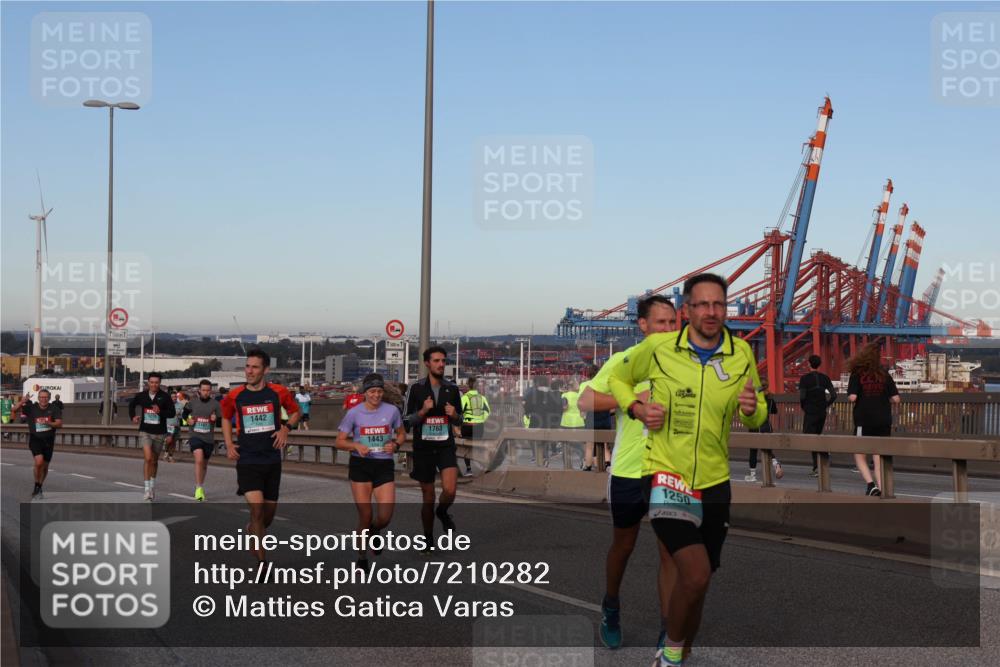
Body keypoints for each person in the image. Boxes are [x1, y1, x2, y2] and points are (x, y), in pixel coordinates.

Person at [609, 274, 767, 666]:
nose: (711, 312)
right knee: (694, 573)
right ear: (687, 311)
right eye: (702, 305)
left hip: (714, 481)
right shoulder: (660, 348)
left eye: (718, 304)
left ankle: (677, 650)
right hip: (665, 474)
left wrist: (752, 410)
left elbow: (757, 411)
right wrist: (637, 408)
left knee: (700, 583)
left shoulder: (741, 354)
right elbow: (617, 378)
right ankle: (671, 655)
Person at [577, 294, 679, 649]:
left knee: (670, 551)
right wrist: (634, 400)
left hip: (670, 472)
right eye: (661, 322)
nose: (668, 328)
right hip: (628, 471)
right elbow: (585, 401)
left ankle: (668, 632)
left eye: (673, 322)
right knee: (624, 546)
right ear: (643, 325)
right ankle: (611, 604)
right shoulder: (624, 361)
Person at [222, 349, 300, 562]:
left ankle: (252, 529)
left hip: (272, 460)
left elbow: (296, 412)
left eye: (255, 367)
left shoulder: (279, 392)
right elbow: (226, 418)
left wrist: (286, 429)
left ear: (265, 370)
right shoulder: (234, 395)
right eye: (247, 366)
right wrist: (229, 444)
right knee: (257, 509)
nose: (249, 371)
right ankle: (263, 563)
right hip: (247, 459)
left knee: (267, 517)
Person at [336, 373, 405, 570]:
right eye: (372, 391)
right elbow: (339, 441)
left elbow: (401, 434)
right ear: (365, 393)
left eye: (380, 391)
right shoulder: (354, 413)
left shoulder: (392, 411)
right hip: (361, 466)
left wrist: (395, 445)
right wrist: (355, 446)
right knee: (365, 515)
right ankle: (361, 557)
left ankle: (375, 531)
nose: (376, 395)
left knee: (385, 516)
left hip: (383, 466)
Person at [404, 346, 463, 544]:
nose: (441, 365)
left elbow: (459, 420)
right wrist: (422, 412)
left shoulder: (452, 388)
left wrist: (454, 415)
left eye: (443, 361)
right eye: (436, 361)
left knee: (450, 490)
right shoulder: (416, 388)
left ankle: (443, 511)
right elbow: (406, 421)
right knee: (428, 496)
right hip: (424, 448)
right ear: (427, 363)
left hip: (446, 446)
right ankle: (428, 538)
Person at [847, 343, 900, 496]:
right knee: (879, 457)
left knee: (859, 453)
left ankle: (871, 485)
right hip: (883, 420)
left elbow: (852, 398)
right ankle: (883, 489)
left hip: (863, 420)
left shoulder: (857, 373)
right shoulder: (884, 374)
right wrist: (881, 399)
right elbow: (896, 399)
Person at [128, 373, 176, 501]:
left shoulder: (164, 397)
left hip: (159, 433)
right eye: (152, 382)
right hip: (145, 431)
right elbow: (132, 405)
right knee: (148, 458)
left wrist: (160, 411)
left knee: (154, 461)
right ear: (148, 383)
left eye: (156, 382)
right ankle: (146, 489)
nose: (154, 384)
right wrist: (133, 416)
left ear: (159, 383)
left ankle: (152, 487)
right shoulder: (142, 396)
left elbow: (172, 413)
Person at [13, 389, 63, 499]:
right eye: (41, 397)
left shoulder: (54, 408)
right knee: (39, 462)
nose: (43, 399)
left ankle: (39, 486)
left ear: (49, 398)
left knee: (45, 466)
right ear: (38, 398)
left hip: (49, 440)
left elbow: (59, 424)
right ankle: (37, 483)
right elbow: (14, 409)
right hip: (35, 439)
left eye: (45, 397)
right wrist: (22, 401)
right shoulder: (31, 408)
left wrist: (49, 423)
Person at [182, 380, 222, 501]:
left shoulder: (215, 404)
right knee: (198, 459)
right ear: (199, 390)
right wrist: (188, 420)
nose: (206, 392)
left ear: (211, 391)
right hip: (195, 435)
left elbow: (221, 420)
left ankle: (199, 485)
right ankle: (199, 488)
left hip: (208, 438)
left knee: (204, 465)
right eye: (203, 390)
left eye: (208, 390)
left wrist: (215, 419)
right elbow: (184, 414)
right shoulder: (192, 403)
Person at [798, 354, 837, 477]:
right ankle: (817, 467)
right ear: (818, 364)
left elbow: (802, 396)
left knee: (809, 437)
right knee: (816, 437)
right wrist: (826, 404)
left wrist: (804, 406)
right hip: (821, 412)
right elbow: (834, 395)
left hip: (810, 411)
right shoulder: (825, 378)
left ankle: (823, 456)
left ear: (809, 364)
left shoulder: (804, 379)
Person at [745, 380, 783, 483]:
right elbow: (774, 411)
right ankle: (776, 464)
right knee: (767, 450)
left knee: (753, 451)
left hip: (756, 426)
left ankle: (752, 475)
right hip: (767, 426)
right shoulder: (770, 399)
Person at [577, 366, 613, 471]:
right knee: (605, 444)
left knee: (590, 445)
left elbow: (581, 403)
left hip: (591, 416)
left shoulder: (585, 385)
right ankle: (607, 465)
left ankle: (588, 466)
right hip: (605, 415)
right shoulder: (606, 384)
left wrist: (582, 414)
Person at [460, 376, 491, 476]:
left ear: (468, 385)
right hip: (479, 426)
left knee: (467, 448)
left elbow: (459, 412)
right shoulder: (482, 398)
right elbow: (488, 412)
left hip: (467, 426)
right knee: (478, 446)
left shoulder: (464, 398)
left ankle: (469, 469)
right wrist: (481, 419)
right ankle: (483, 465)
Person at [163, 390, 182, 463]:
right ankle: (166, 453)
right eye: (172, 397)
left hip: (176, 425)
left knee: (174, 442)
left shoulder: (180, 405)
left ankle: (171, 457)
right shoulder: (166, 405)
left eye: (175, 397)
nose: (174, 398)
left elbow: (180, 415)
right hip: (169, 425)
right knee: (169, 441)